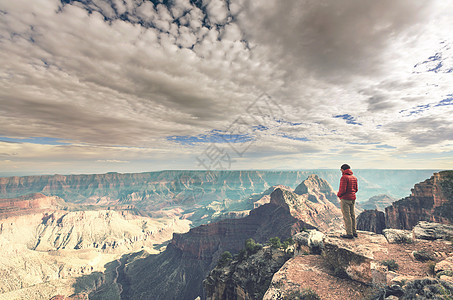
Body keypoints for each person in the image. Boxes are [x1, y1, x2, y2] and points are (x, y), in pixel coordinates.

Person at [337, 164, 358, 239]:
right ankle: (354, 232)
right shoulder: (354, 177)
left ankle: (349, 234)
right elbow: (356, 189)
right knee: (352, 215)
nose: (341, 171)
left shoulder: (344, 177)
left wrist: (339, 195)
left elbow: (342, 190)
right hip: (353, 198)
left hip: (345, 199)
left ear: (343, 169)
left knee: (346, 216)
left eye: (341, 170)